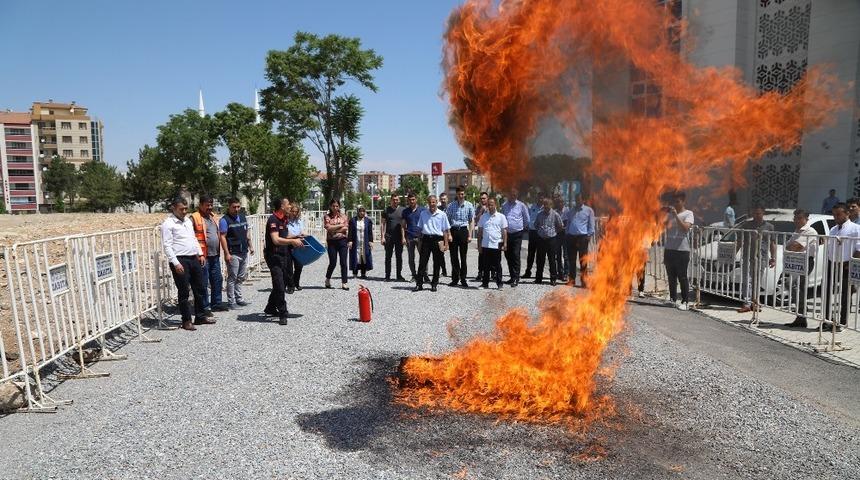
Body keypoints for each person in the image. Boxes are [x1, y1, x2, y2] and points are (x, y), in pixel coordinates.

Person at [161, 197, 210, 331]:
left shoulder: (188, 221)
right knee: (184, 291)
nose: (184, 211)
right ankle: (186, 320)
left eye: (185, 208)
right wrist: (175, 263)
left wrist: (199, 253)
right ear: (174, 208)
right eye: (181, 209)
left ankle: (200, 316)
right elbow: (167, 245)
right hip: (180, 259)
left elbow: (193, 238)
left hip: (193, 257)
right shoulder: (168, 224)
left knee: (200, 288)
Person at [263, 197, 304, 325]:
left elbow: (284, 235)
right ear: (281, 206)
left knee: (282, 282)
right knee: (280, 285)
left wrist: (298, 236)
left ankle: (270, 307)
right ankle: (283, 313)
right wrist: (292, 241)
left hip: (284, 254)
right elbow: (276, 239)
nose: (290, 206)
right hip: (274, 256)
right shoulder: (273, 220)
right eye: (288, 204)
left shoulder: (284, 219)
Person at [823, 203, 860, 331]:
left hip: (846, 265)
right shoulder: (833, 229)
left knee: (845, 295)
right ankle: (827, 320)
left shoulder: (855, 228)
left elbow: (859, 249)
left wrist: (848, 263)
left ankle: (842, 323)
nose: (836, 217)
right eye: (834, 215)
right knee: (827, 292)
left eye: (838, 214)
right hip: (832, 263)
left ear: (847, 214)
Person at [190, 195, 227, 313]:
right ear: (200, 205)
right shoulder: (194, 218)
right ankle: (204, 307)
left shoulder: (213, 217)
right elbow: (191, 237)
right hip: (202, 256)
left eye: (211, 205)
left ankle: (216, 303)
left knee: (217, 279)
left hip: (214, 255)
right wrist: (198, 254)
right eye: (207, 205)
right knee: (203, 282)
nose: (210, 207)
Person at [737, 205, 776, 313]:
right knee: (747, 279)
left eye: (759, 213)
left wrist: (773, 258)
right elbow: (740, 241)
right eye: (754, 213)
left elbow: (772, 243)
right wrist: (733, 253)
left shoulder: (769, 227)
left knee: (757, 280)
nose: (756, 215)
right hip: (747, 256)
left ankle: (755, 302)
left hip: (762, 257)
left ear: (763, 213)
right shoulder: (746, 225)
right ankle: (746, 303)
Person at [218, 197, 254, 309]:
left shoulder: (243, 217)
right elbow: (222, 237)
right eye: (234, 207)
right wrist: (226, 253)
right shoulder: (224, 220)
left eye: (238, 206)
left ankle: (239, 298)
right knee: (232, 277)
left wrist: (251, 246)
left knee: (241, 276)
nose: (237, 209)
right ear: (229, 206)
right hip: (233, 253)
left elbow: (246, 233)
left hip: (243, 251)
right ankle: (231, 301)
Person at [784, 209, 818, 328]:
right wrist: (791, 247)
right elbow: (788, 246)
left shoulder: (809, 231)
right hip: (796, 261)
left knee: (795, 285)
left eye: (799, 218)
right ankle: (801, 314)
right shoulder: (797, 231)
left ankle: (802, 313)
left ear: (806, 219)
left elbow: (797, 247)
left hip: (805, 261)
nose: (797, 221)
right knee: (793, 285)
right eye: (795, 218)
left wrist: (792, 246)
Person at [663, 192, 694, 310]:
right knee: (671, 276)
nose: (675, 204)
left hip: (682, 250)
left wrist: (676, 215)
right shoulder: (669, 215)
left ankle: (685, 302)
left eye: (677, 201)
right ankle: (672, 299)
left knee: (682, 276)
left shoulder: (689, 213)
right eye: (674, 202)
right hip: (669, 249)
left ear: (683, 202)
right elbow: (662, 226)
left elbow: (685, 228)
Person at [414, 195, 450, 292]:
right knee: (422, 263)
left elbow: (445, 230)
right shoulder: (423, 214)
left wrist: (446, 244)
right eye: (430, 202)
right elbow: (420, 229)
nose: (432, 204)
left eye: (433, 202)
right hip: (426, 239)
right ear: (428, 203)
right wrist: (419, 241)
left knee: (437, 263)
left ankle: (434, 284)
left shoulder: (442, 214)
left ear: (436, 202)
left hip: (438, 240)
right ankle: (419, 284)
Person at [445, 186, 475, 288]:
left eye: (462, 194)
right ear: (456, 194)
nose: (461, 196)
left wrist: (470, 235)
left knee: (463, 257)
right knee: (454, 257)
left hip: (463, 231)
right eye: (459, 194)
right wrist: (449, 234)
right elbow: (447, 222)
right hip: (453, 231)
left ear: (464, 194)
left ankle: (463, 279)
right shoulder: (451, 206)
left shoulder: (469, 206)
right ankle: (455, 278)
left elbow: (471, 221)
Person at [564, 193, 595, 288]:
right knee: (572, 260)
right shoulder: (571, 211)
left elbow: (591, 225)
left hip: (582, 238)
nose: (577, 201)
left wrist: (589, 235)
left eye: (579, 199)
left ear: (583, 200)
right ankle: (572, 280)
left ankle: (584, 281)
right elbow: (568, 223)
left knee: (583, 261)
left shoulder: (588, 210)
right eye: (576, 199)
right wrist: (567, 233)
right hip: (571, 237)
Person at [533, 195, 565, 286]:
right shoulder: (539, 214)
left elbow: (561, 226)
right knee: (540, 259)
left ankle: (553, 279)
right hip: (541, 240)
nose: (546, 206)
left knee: (552, 260)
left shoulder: (555, 214)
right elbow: (536, 225)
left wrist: (554, 232)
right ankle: (538, 278)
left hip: (552, 240)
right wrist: (541, 231)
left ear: (551, 205)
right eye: (544, 204)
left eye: (547, 204)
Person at [477, 197, 507, 289]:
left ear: (496, 205)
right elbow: (480, 232)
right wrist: (479, 245)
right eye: (488, 205)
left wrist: (505, 243)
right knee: (485, 265)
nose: (490, 206)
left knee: (497, 265)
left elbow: (504, 231)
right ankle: (485, 283)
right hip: (486, 244)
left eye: (492, 204)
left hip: (496, 244)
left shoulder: (501, 217)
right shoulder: (483, 217)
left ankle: (499, 284)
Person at [501, 188, 530, 287]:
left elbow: (527, 219)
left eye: (513, 195)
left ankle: (516, 278)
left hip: (517, 233)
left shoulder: (521, 205)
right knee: (507, 255)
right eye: (510, 195)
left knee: (515, 255)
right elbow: (502, 218)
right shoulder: (504, 205)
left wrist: (521, 228)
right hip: (507, 234)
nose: (511, 197)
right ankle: (512, 276)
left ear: (516, 196)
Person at [324, 199, 350, 290]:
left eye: (337, 206)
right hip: (331, 242)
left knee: (343, 262)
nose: (335, 208)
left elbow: (345, 228)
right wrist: (339, 226)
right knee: (333, 262)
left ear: (339, 206)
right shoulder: (327, 216)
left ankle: (344, 282)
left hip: (342, 240)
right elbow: (328, 228)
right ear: (330, 206)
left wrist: (333, 228)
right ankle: (327, 279)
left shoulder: (344, 216)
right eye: (333, 206)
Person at [381, 193, 406, 281]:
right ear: (391, 200)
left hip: (399, 237)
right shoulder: (386, 210)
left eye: (397, 200)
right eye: (394, 200)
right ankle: (387, 276)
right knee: (388, 257)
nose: (395, 201)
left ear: (399, 200)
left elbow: (405, 224)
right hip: (388, 237)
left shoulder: (403, 210)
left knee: (399, 257)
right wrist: (382, 237)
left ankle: (399, 275)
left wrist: (404, 237)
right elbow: (383, 224)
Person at [401, 193, 425, 282]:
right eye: (410, 200)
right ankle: (414, 275)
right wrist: (403, 237)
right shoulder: (405, 211)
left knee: (423, 257)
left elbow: (426, 223)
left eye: (413, 199)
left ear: (416, 199)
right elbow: (403, 226)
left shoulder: (423, 210)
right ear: (408, 201)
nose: (411, 201)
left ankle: (423, 275)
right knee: (411, 258)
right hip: (409, 237)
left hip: (420, 237)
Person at [349, 206, 374, 279]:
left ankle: (363, 273)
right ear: (358, 212)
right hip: (356, 241)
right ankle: (355, 273)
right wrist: (350, 241)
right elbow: (350, 231)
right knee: (355, 257)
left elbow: (370, 232)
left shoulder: (368, 221)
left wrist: (371, 241)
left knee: (364, 256)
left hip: (364, 242)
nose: (362, 213)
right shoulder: (353, 220)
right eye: (360, 211)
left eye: (363, 211)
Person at [286, 204, 306, 292]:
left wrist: (303, 235)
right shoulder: (285, 222)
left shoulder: (299, 221)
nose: (294, 213)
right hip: (289, 245)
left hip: (298, 244)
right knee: (289, 267)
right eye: (292, 211)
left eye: (296, 212)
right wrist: (296, 236)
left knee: (299, 266)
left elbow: (302, 231)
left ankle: (296, 282)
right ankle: (290, 286)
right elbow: (286, 235)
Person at [522, 198, 542, 279]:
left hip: (540, 233)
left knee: (540, 255)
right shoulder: (533, 206)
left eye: (541, 197)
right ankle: (528, 272)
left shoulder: (545, 208)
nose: (540, 199)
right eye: (539, 197)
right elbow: (528, 217)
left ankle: (538, 274)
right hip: (532, 232)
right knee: (530, 254)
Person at [553, 193, 570, 282]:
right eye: (558, 202)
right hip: (558, 235)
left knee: (566, 255)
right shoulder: (555, 212)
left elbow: (570, 223)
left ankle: (566, 273)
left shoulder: (568, 211)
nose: (560, 203)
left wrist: (564, 228)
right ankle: (560, 272)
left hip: (566, 235)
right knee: (558, 255)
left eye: (561, 202)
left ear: (564, 203)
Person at [473, 191, 489, 282]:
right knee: (481, 254)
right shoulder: (479, 207)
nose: (483, 200)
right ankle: (480, 273)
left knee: (492, 254)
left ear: (487, 198)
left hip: (490, 234)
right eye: (481, 198)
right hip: (481, 234)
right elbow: (476, 220)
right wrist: (481, 211)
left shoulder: (491, 206)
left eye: (484, 198)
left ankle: (493, 272)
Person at [437, 192, 449, 277]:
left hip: (450, 233)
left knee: (454, 254)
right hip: (441, 233)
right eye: (442, 199)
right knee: (440, 253)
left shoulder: (451, 208)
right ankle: (444, 270)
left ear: (447, 199)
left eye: (444, 199)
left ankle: (455, 272)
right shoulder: (438, 209)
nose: (443, 201)